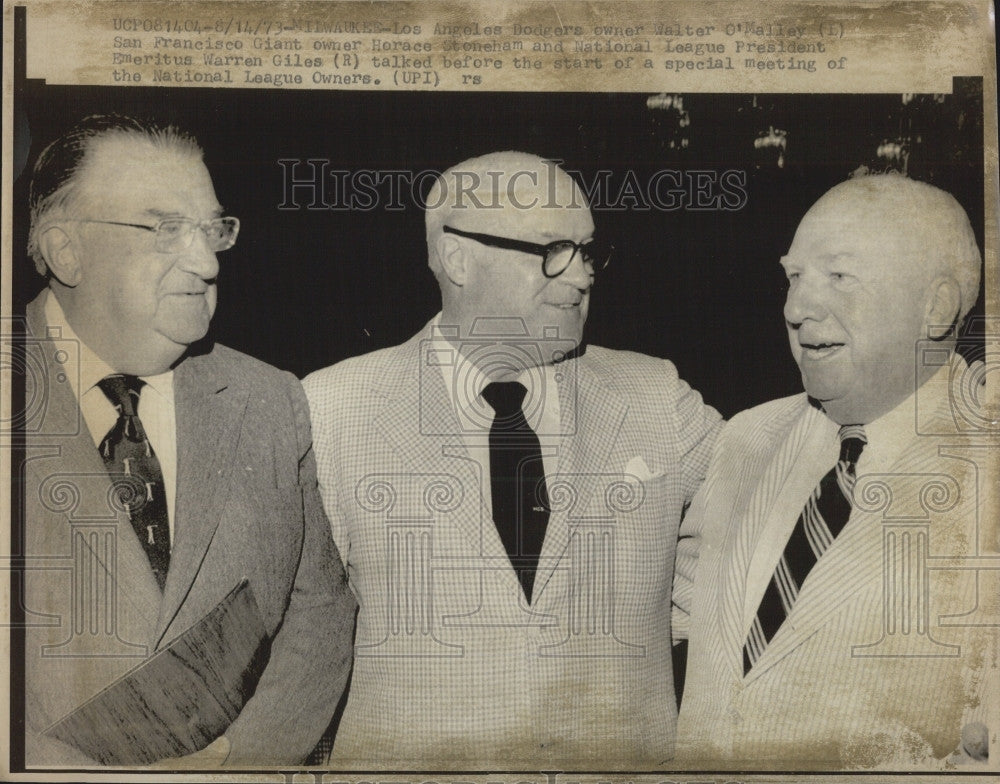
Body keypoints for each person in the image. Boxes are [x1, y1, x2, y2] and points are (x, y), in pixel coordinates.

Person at [303, 151, 722, 768]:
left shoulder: (657, 396)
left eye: (588, 251)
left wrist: (638, 626)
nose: (581, 276)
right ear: (456, 257)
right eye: (553, 249)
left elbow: (746, 534)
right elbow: (302, 634)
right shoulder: (331, 407)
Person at [19, 114, 356, 766]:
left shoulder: (269, 399)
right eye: (165, 229)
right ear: (67, 250)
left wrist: (236, 762)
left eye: (211, 229)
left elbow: (319, 615)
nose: (205, 263)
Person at [673, 174, 997, 768]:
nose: (797, 309)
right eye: (794, 277)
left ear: (936, 306)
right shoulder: (748, 436)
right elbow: (683, 611)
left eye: (839, 277)